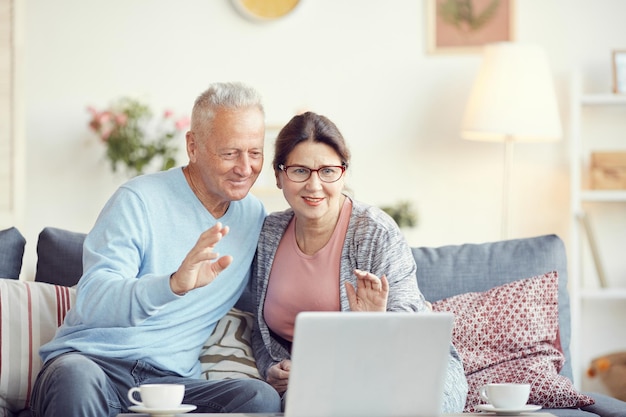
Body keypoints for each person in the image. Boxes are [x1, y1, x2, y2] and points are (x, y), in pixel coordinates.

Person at [30, 82, 281, 417]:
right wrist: (172, 284)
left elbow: (273, 303)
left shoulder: (254, 218)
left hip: (172, 383)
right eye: (229, 153)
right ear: (193, 145)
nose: (245, 167)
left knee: (259, 399)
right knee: (74, 377)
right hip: (94, 364)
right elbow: (93, 299)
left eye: (255, 152)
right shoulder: (138, 200)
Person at [250, 111, 468, 412]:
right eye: (300, 171)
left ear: (344, 173)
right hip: (317, 382)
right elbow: (259, 328)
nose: (314, 185)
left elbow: (413, 331)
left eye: (327, 171)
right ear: (278, 175)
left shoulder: (375, 231)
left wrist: (374, 324)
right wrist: (269, 369)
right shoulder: (268, 234)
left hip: (406, 369)